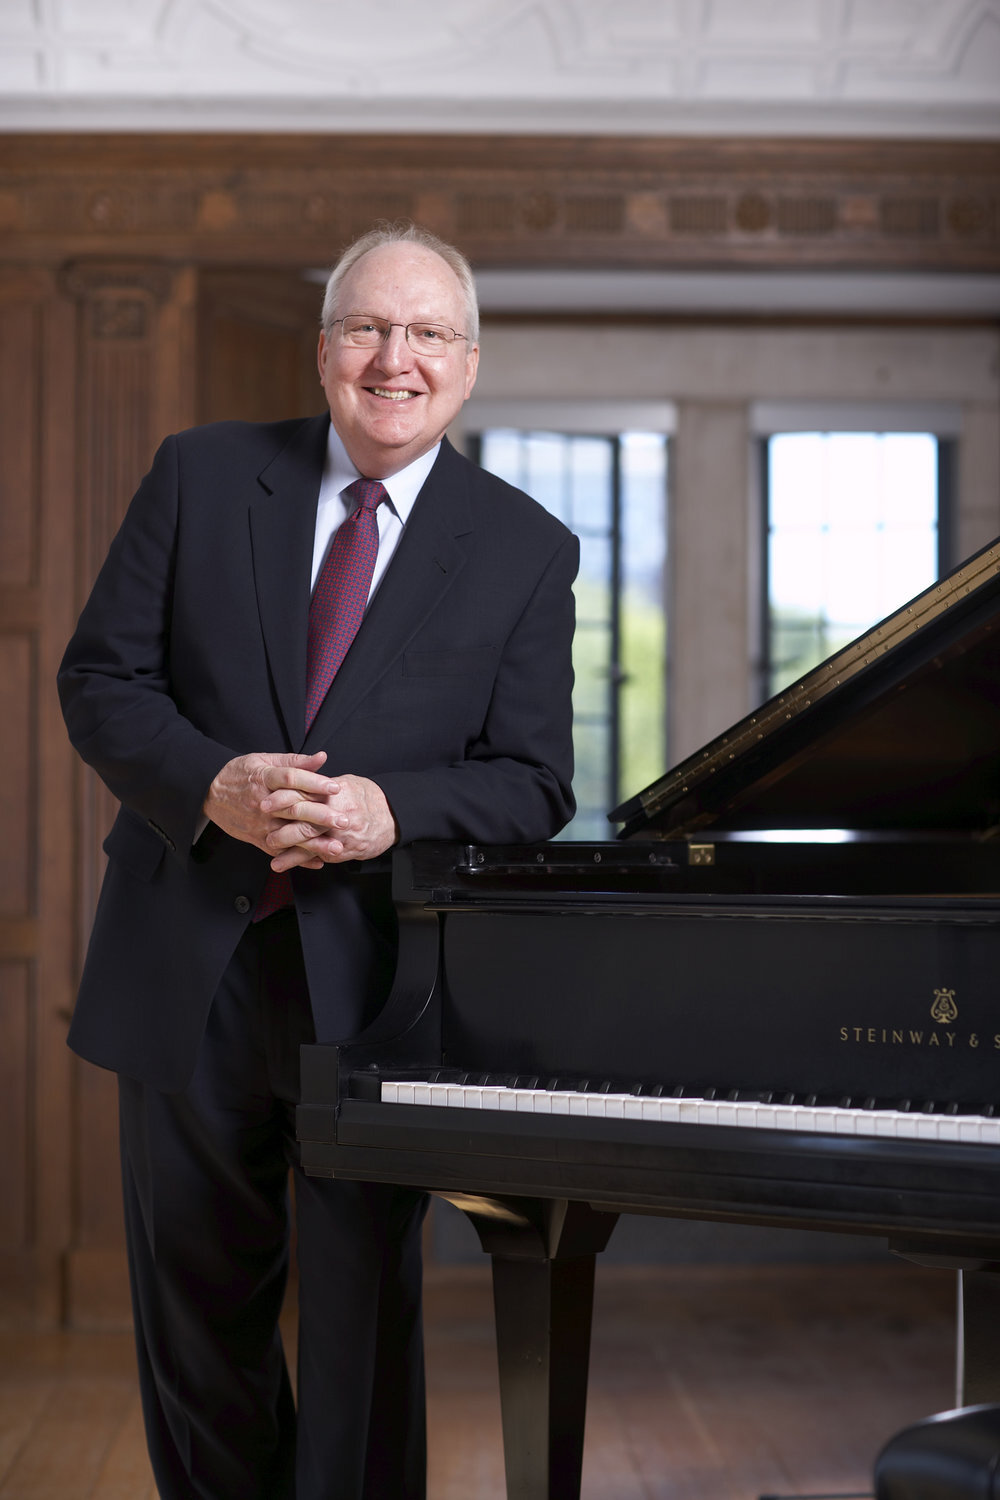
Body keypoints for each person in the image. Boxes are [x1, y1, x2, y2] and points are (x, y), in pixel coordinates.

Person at [58, 222, 578, 1500]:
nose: (393, 358)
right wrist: (213, 785)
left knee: (361, 1326)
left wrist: (394, 810)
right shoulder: (198, 475)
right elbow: (101, 681)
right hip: (190, 963)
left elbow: (533, 782)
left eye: (426, 334)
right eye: (366, 327)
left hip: (378, 984)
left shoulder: (526, 549)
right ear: (325, 347)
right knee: (198, 1320)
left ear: (468, 364)